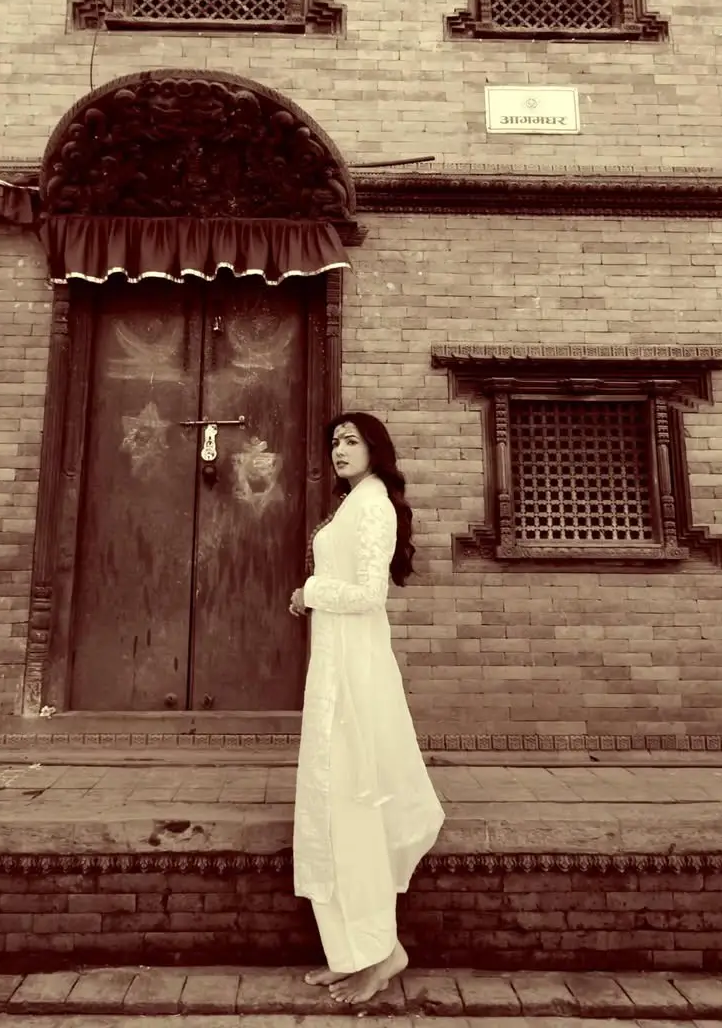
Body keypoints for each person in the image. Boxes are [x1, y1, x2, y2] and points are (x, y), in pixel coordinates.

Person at [289, 412, 446, 1006]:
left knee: (355, 802)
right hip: (335, 666)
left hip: (357, 672)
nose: (339, 449)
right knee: (331, 804)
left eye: (351, 440)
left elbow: (368, 594)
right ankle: (351, 952)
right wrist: (314, 594)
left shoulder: (375, 503)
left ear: (375, 449)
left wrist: (310, 591)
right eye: (333, 441)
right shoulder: (353, 504)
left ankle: (383, 953)